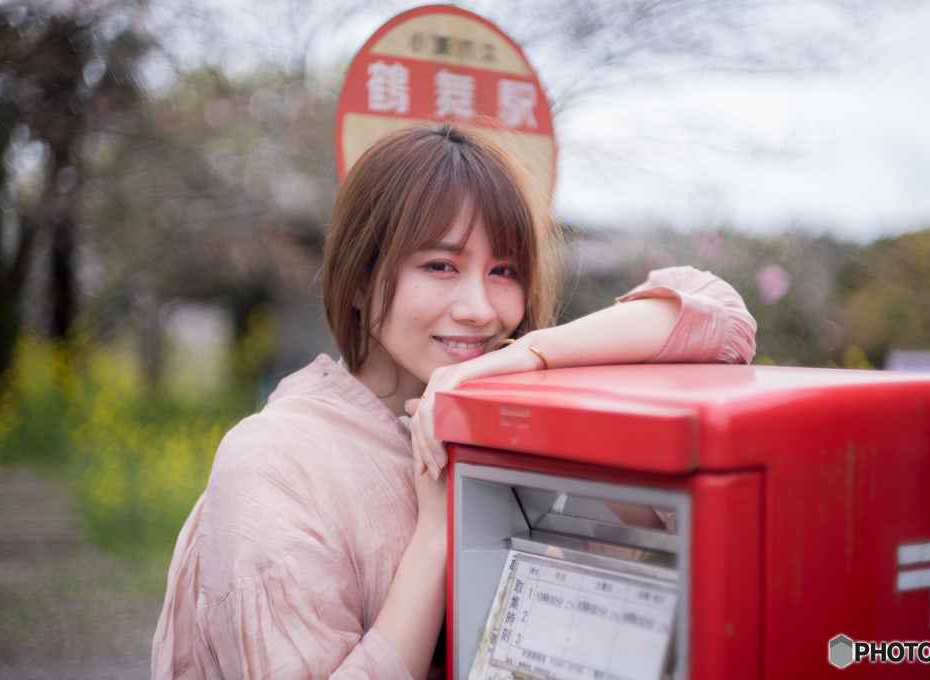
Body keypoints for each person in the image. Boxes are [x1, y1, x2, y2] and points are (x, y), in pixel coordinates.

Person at [151, 123, 756, 680]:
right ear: (362, 279)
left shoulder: (513, 408)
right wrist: (437, 531)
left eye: (504, 270)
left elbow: (724, 319)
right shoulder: (277, 459)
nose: (481, 310)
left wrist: (525, 355)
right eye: (440, 265)